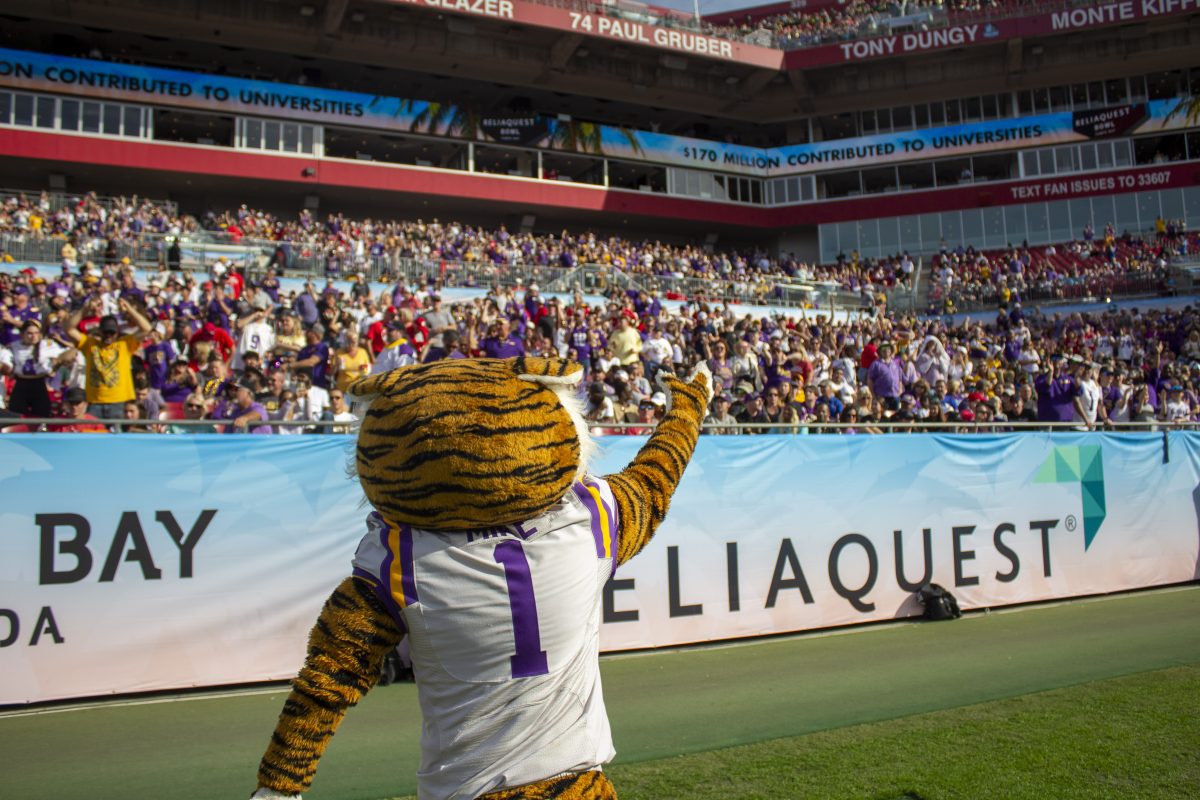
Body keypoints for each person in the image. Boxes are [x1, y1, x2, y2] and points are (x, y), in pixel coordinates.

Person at [67, 297, 153, 419]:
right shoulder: (90, 345)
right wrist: (85, 309)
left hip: (119, 402)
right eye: (105, 332)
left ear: (117, 333)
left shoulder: (124, 345)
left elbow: (147, 328)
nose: (108, 336)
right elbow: (69, 329)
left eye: (111, 333)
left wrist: (128, 308)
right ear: (100, 332)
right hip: (94, 402)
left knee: (118, 437)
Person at [5, 319, 74, 418]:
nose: (33, 337)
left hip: (39, 382)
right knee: (16, 414)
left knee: (41, 414)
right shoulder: (14, 346)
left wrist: (57, 364)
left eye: (36, 333)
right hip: (21, 383)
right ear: (22, 334)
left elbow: (69, 352)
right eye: (29, 333)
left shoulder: (46, 345)